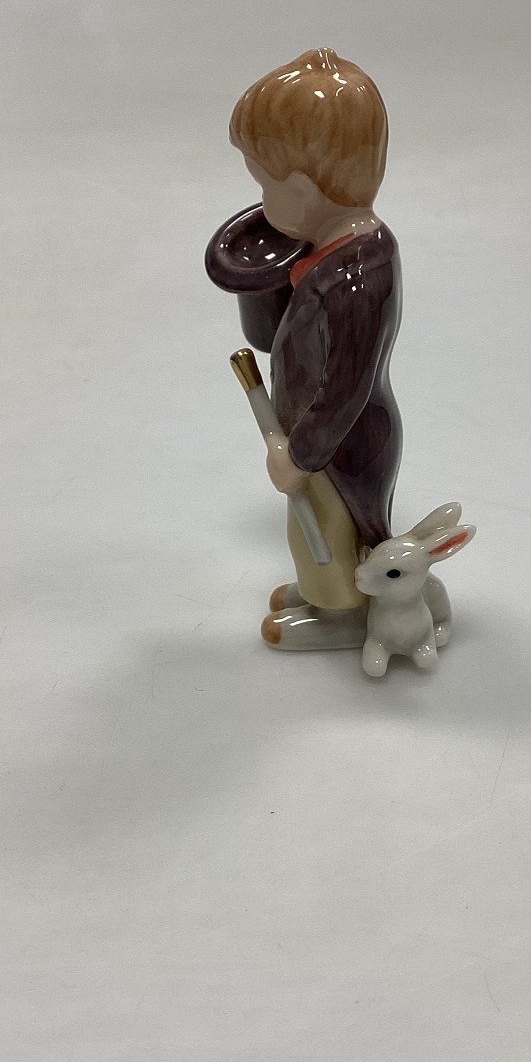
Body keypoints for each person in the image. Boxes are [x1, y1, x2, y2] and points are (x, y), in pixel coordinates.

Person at [207, 48, 403, 649]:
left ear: (299, 188)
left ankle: (339, 614)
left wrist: (301, 455)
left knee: (325, 527)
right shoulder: (324, 251)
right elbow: (269, 338)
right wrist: (263, 285)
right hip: (315, 429)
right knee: (316, 530)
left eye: (264, 185)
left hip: (340, 442)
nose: (261, 202)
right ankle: (326, 592)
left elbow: (346, 385)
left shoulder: (360, 277)